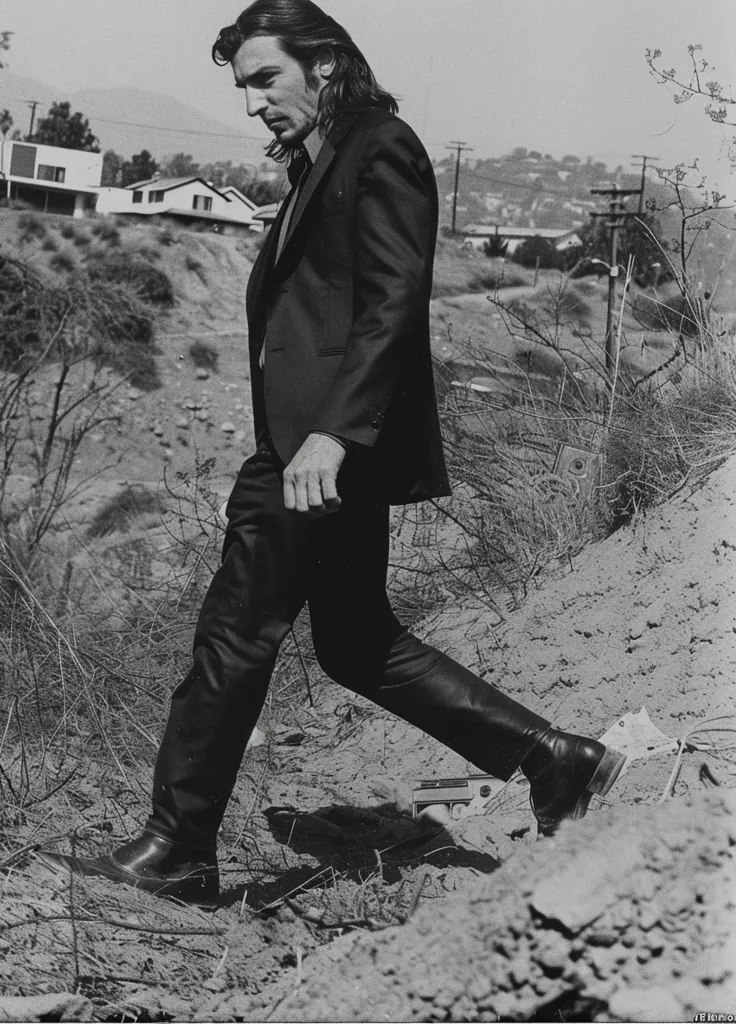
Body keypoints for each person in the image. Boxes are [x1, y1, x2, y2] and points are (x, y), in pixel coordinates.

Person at [39, 0, 625, 905]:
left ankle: (180, 844)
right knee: (357, 644)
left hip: (319, 448)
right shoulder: (324, 158)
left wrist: (333, 433)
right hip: (314, 441)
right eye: (241, 88)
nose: (252, 103)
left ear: (322, 65)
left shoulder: (378, 144)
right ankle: (554, 759)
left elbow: (395, 302)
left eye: (265, 78)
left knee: (234, 636)